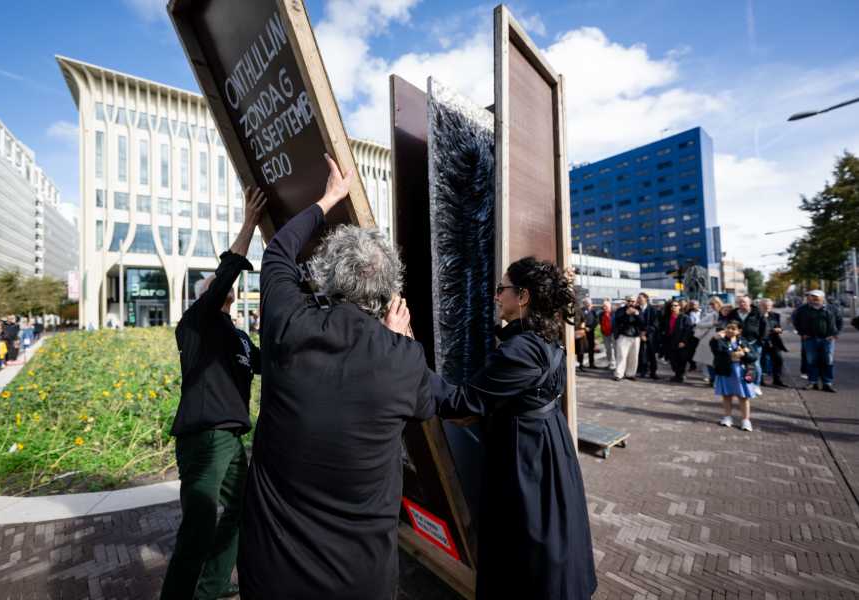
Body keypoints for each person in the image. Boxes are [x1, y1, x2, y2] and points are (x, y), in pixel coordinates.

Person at [238, 156, 437, 600]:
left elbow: (278, 251)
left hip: (273, 572)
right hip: (359, 580)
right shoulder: (402, 358)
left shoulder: (287, 321)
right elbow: (426, 405)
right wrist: (397, 343)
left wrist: (329, 198)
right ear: (388, 290)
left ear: (328, 277)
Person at [432, 257, 597, 600]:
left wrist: (405, 351)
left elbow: (460, 403)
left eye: (501, 289)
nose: (496, 296)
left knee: (525, 550)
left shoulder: (519, 350)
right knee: (548, 541)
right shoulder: (543, 338)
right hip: (549, 449)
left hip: (528, 459)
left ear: (522, 296)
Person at [160, 186, 267, 600]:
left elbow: (271, 364)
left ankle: (214, 588)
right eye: (215, 285)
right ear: (207, 295)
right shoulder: (196, 324)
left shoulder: (239, 337)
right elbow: (224, 274)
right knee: (199, 527)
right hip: (204, 438)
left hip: (231, 438)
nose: (222, 287)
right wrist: (249, 225)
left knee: (241, 511)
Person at [711, 321, 758, 431]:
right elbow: (717, 352)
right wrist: (717, 339)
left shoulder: (743, 341)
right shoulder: (719, 341)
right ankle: (727, 417)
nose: (729, 330)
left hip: (741, 372)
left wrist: (744, 354)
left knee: (743, 397)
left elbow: (754, 356)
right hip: (726, 370)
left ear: (739, 331)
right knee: (726, 395)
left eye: (733, 328)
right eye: (728, 327)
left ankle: (746, 420)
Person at [792, 290, 842, 393]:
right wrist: (802, 333)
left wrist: (835, 334)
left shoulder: (832, 309)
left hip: (827, 339)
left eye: (816, 297)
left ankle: (827, 383)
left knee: (828, 360)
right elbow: (795, 321)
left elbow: (839, 321)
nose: (813, 299)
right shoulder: (803, 309)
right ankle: (812, 382)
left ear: (822, 298)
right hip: (810, 339)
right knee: (811, 360)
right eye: (811, 297)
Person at [729, 296, 766, 391]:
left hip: (754, 343)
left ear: (750, 303)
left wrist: (761, 341)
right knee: (740, 364)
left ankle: (756, 385)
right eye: (740, 302)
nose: (742, 304)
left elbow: (765, 328)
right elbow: (727, 325)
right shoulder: (733, 313)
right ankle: (745, 383)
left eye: (744, 302)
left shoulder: (757, 313)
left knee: (756, 364)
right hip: (738, 343)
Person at [660, 299, 694, 382]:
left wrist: (683, 341)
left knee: (681, 360)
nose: (673, 307)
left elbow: (688, 330)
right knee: (673, 360)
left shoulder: (684, 317)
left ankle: (680, 376)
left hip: (680, 342)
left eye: (675, 305)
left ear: (679, 307)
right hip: (670, 341)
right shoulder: (668, 317)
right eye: (672, 306)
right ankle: (677, 375)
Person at [613, 295, 644, 382]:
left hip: (635, 336)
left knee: (634, 357)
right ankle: (619, 374)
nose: (631, 303)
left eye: (632, 301)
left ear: (635, 302)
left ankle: (630, 374)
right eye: (629, 301)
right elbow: (618, 320)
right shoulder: (620, 310)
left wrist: (637, 314)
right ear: (626, 301)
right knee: (621, 356)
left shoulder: (639, 310)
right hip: (623, 336)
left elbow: (642, 322)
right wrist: (627, 314)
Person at [693, 296, 723, 384]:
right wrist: (712, 324)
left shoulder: (725, 312)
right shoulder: (711, 314)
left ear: (718, 303)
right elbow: (699, 324)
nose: (712, 306)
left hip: (722, 339)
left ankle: (718, 379)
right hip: (710, 339)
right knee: (710, 361)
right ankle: (712, 379)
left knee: (719, 360)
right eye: (711, 304)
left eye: (713, 304)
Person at [758, 298, 788, 387]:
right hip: (761, 341)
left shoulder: (775, 315)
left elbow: (779, 327)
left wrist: (779, 330)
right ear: (760, 306)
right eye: (764, 305)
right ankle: (761, 380)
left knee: (778, 359)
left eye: (769, 305)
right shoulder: (756, 316)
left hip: (773, 341)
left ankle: (777, 379)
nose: (767, 307)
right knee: (762, 361)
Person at [635, 292, 660, 379]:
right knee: (641, 354)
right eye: (638, 298)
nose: (638, 299)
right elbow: (634, 323)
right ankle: (643, 371)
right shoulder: (636, 309)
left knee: (652, 354)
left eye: (640, 298)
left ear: (646, 299)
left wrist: (645, 332)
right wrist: (640, 333)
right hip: (639, 335)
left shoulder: (653, 310)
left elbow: (655, 324)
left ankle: (653, 372)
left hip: (651, 336)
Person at [578, 297, 597, 369]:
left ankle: (591, 363)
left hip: (591, 331)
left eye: (589, 303)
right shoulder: (581, 310)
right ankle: (581, 364)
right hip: (583, 331)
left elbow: (596, 321)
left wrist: (591, 328)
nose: (588, 304)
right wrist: (584, 327)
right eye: (586, 303)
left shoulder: (593, 311)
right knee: (581, 348)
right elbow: (580, 320)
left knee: (591, 348)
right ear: (584, 303)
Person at [598, 299, 616, 370]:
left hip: (612, 333)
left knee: (614, 349)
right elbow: (600, 323)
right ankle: (609, 362)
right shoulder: (601, 314)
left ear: (609, 306)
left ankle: (614, 363)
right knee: (608, 349)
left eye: (605, 306)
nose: (604, 308)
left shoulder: (613, 313)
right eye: (603, 306)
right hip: (605, 333)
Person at [684, 300, 702, 371]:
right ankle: (692, 364)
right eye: (691, 304)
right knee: (690, 351)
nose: (693, 306)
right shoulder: (687, 313)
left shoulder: (702, 312)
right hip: (692, 334)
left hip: (702, 334)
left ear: (698, 305)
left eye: (694, 304)